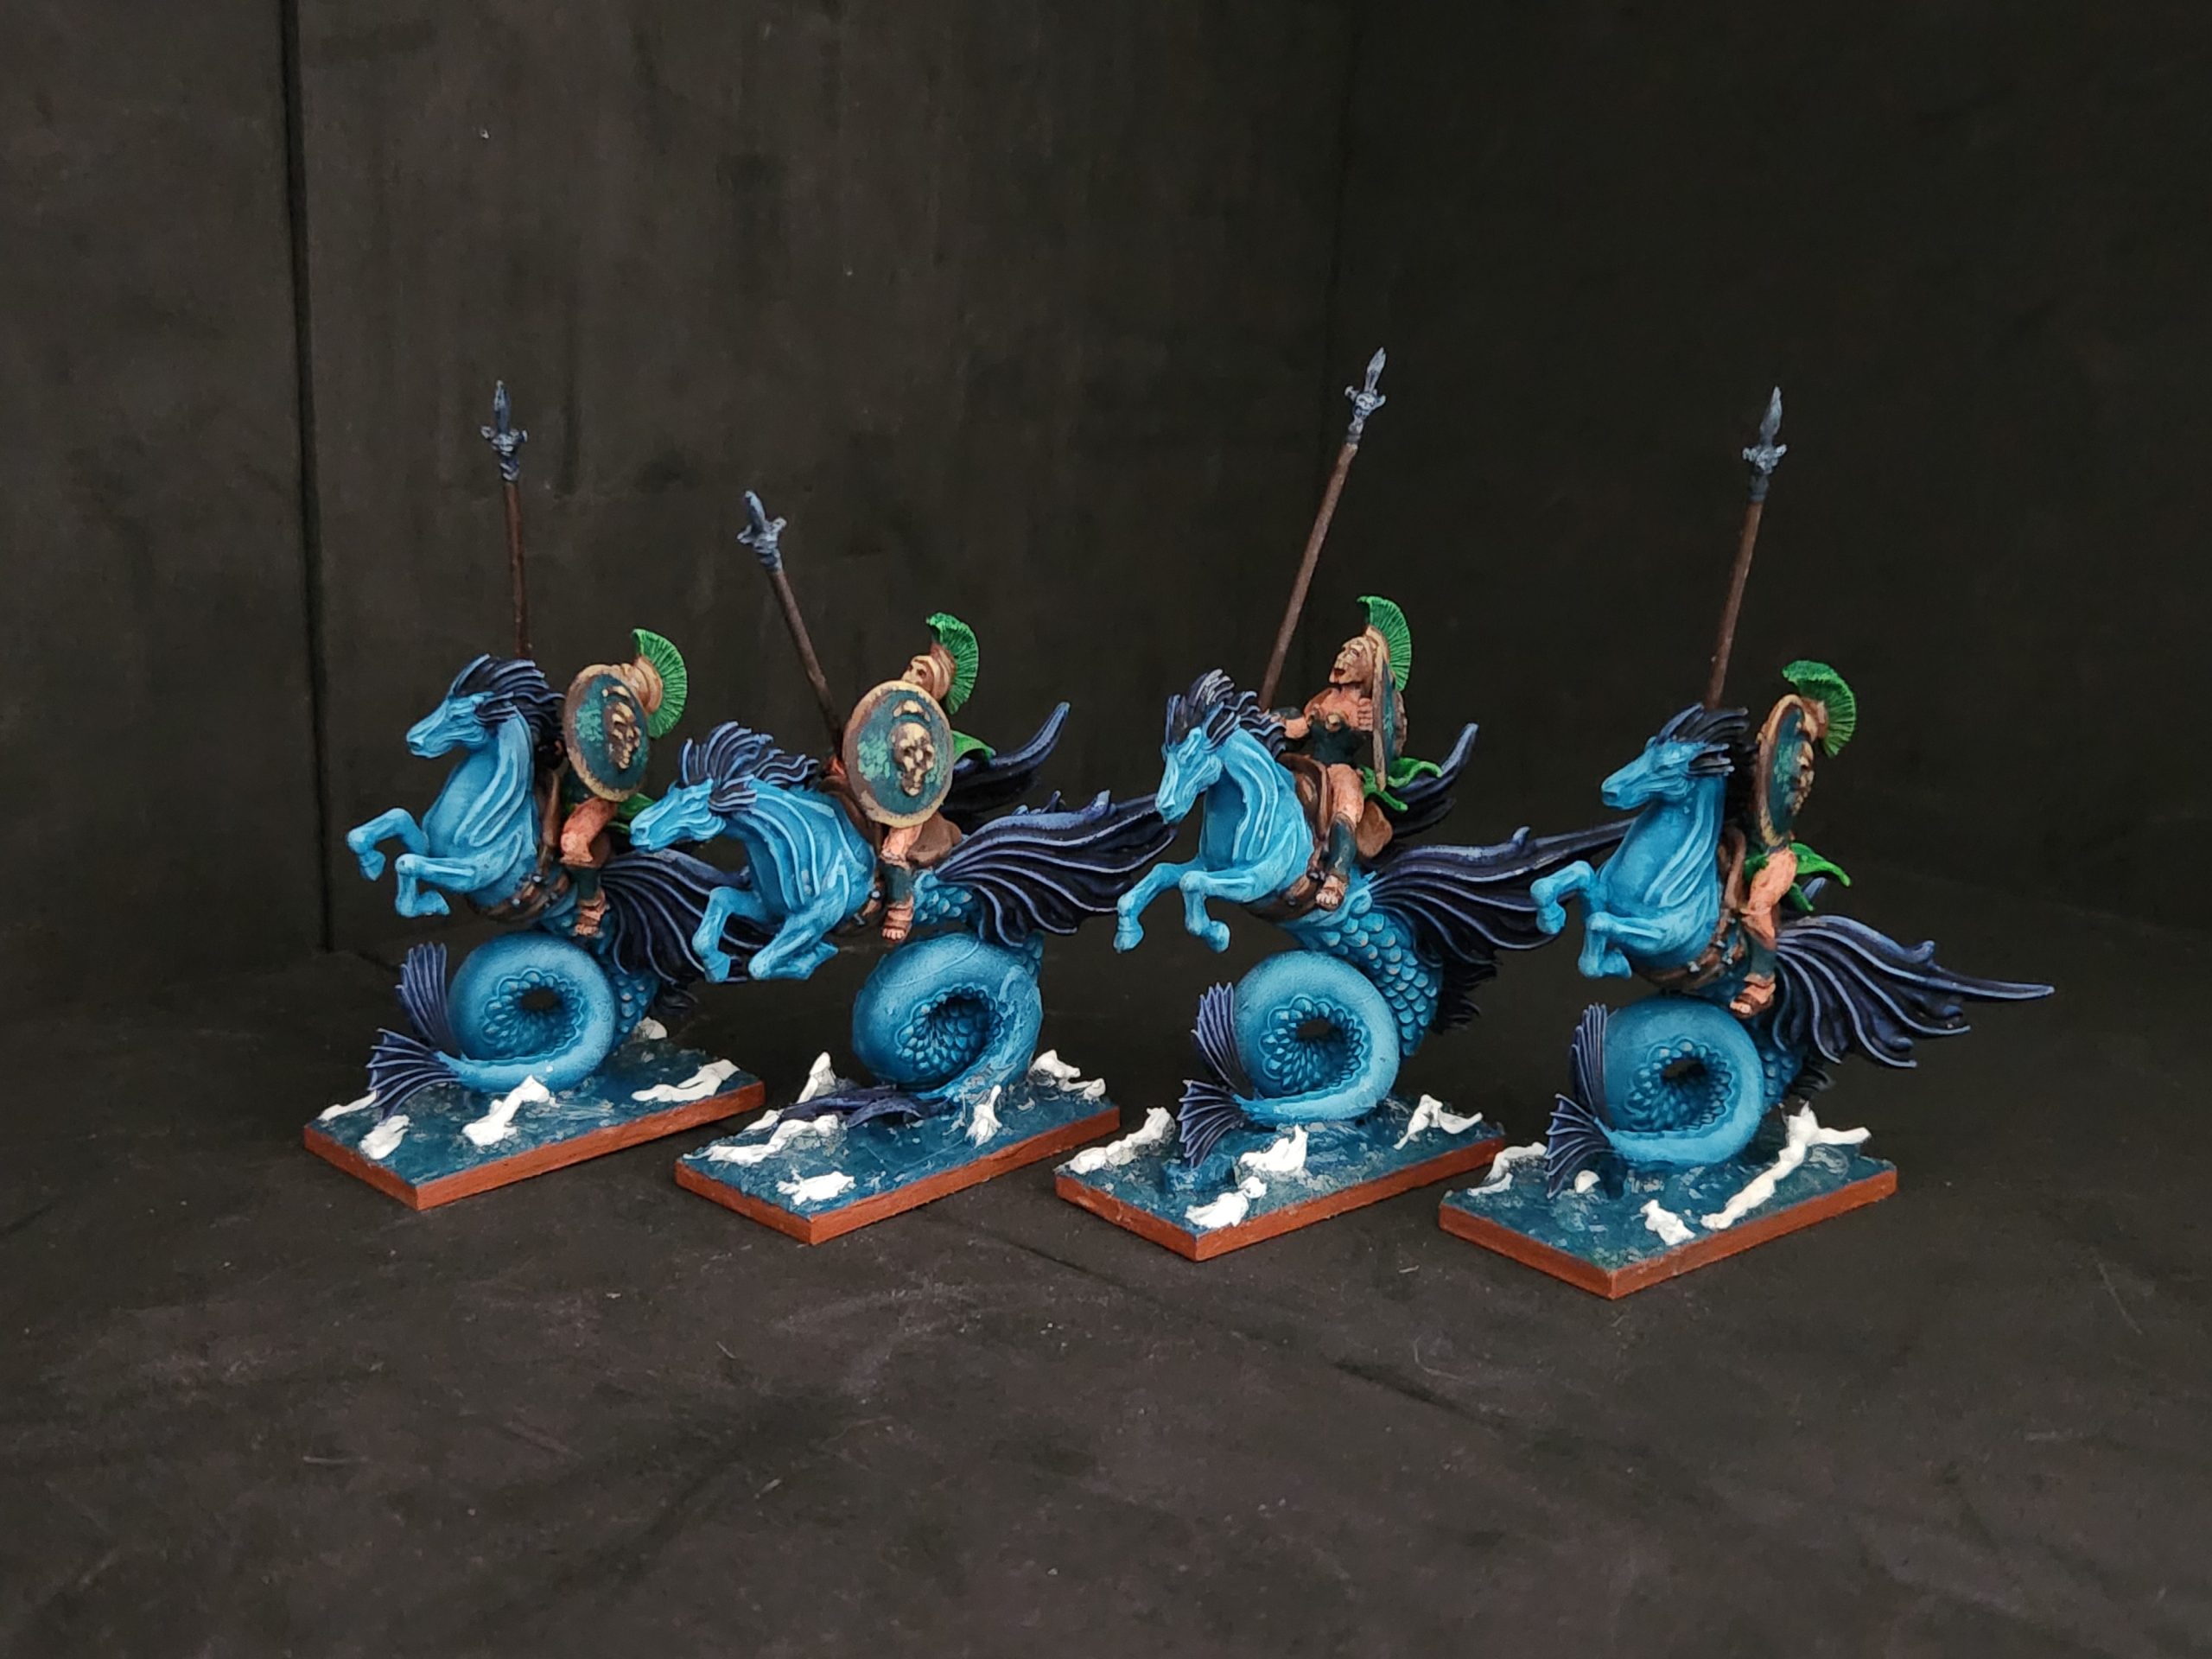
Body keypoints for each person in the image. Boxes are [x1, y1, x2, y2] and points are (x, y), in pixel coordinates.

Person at [1275, 595, 1427, 910]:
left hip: (1341, 771)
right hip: (1310, 764)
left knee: (1344, 810)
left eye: (1354, 653)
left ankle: (1337, 875)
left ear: (1369, 667)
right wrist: (1272, 723)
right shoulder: (1324, 698)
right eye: (1344, 649)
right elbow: (1302, 727)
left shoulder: (1365, 709)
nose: (1344, 656)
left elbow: (1391, 741)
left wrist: (1379, 724)